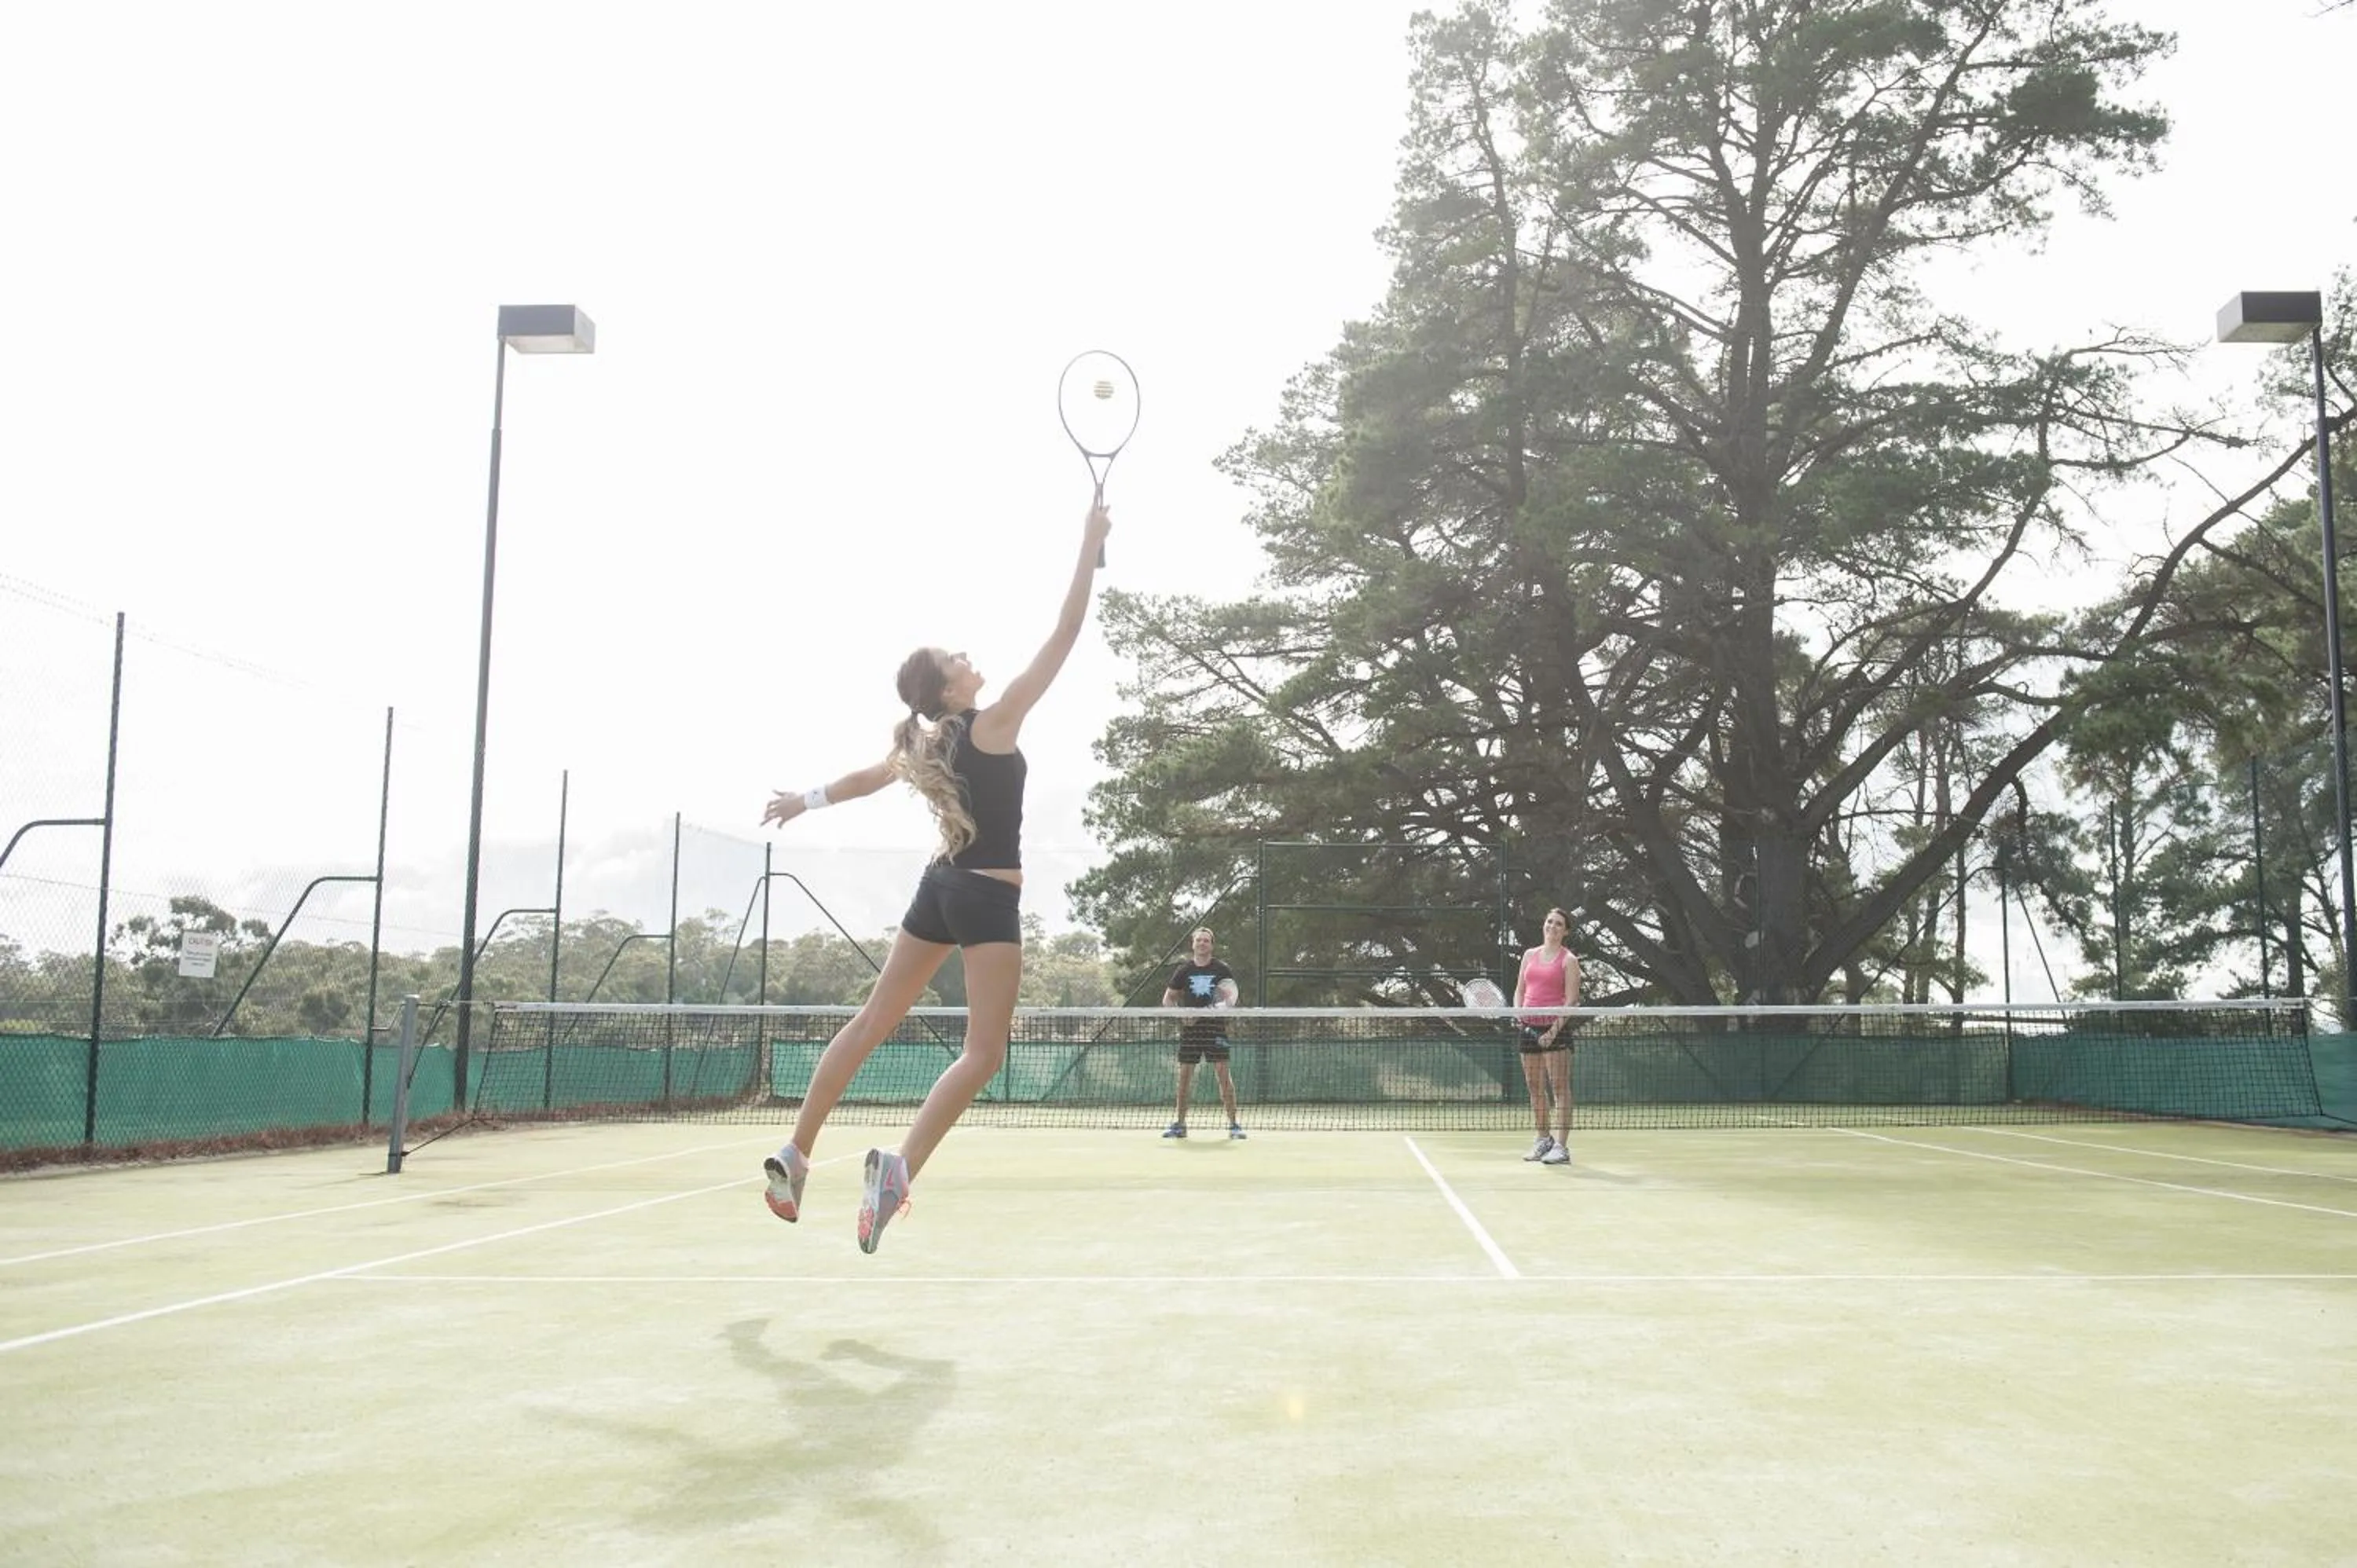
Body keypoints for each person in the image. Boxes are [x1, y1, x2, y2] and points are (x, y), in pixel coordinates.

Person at [757, 498, 1113, 1253]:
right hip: (985, 899)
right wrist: (1087, 547)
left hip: (936, 891)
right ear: (949, 690)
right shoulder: (992, 725)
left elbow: (859, 779)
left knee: (869, 1023)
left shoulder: (925, 745)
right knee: (984, 1055)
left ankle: (796, 1152)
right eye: (956, 658)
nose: (967, 656)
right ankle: (899, 1169)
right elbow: (1067, 633)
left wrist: (804, 801)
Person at [1161, 927, 1245, 1140]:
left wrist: (1212, 1012)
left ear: (1212, 945)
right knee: (1184, 1078)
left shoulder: (1222, 969)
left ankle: (1234, 1125)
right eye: (1198, 940)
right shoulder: (1183, 971)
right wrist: (1182, 1016)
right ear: (1193, 944)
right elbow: (1168, 999)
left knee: (1224, 1076)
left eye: (1206, 941)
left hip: (1215, 1029)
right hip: (1191, 1032)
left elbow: (1229, 998)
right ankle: (1180, 1125)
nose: (1202, 943)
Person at [1514, 907, 1580, 1164]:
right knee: (1534, 1087)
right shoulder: (1529, 955)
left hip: (1557, 1030)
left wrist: (1553, 1032)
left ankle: (1561, 1148)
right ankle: (1543, 1140)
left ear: (1566, 932)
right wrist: (1518, 1011)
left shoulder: (1569, 960)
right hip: (1527, 1028)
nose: (1552, 927)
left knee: (1560, 1088)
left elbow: (1572, 1001)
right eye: (1549, 922)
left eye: (1559, 924)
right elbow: (1520, 989)